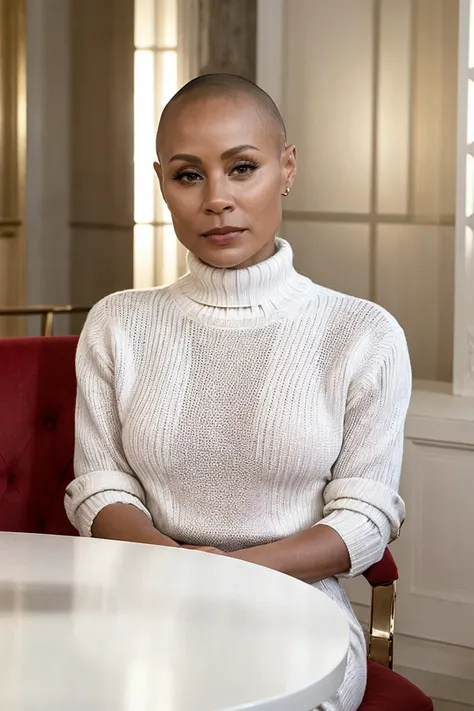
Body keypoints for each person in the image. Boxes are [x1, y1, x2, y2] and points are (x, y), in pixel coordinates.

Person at [65, 73, 411, 711]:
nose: (216, 199)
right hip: (145, 604)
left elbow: (365, 519)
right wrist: (173, 565)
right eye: (188, 174)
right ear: (163, 183)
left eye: (242, 167)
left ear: (287, 168)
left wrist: (225, 575)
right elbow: (100, 487)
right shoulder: (117, 322)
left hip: (297, 614)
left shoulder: (363, 333)